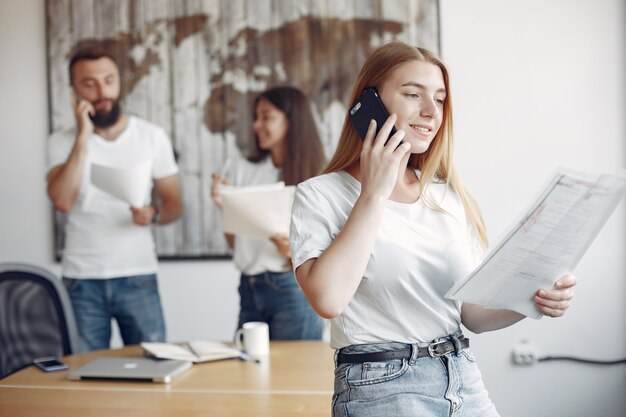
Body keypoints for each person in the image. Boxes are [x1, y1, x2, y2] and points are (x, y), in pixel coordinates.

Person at [289, 41, 577, 416]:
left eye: (440, 99)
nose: (430, 112)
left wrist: (533, 297)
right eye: (413, 94)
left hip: (463, 379)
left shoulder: (446, 196)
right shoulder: (320, 195)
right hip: (381, 386)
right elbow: (328, 299)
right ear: (368, 105)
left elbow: (471, 313)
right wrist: (374, 194)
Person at [46, 44, 182, 351]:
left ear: (119, 81)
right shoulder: (60, 142)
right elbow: (62, 200)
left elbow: (174, 205)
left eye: (108, 80)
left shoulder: (151, 136)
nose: (101, 91)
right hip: (81, 279)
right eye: (89, 84)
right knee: (84, 373)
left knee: (154, 365)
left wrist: (154, 214)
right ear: (74, 91)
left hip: (137, 275)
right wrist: (83, 136)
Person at [211, 86, 325, 340]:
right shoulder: (242, 170)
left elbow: (327, 255)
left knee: (294, 376)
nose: (256, 125)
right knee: (249, 373)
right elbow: (236, 243)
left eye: (266, 117)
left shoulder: (319, 177)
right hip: (249, 286)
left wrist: (291, 252)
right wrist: (225, 207)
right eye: (256, 117)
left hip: (291, 287)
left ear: (291, 121)